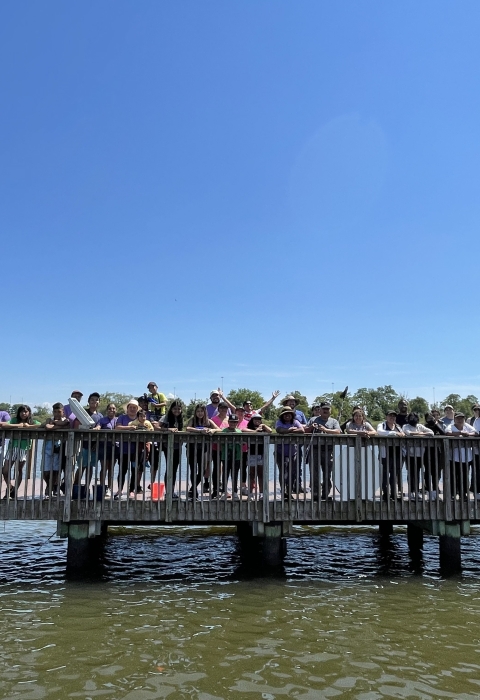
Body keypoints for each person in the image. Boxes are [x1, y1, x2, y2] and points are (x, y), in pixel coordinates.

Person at [2, 405, 41, 499]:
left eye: (26, 411)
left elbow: (41, 425)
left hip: (24, 448)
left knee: (18, 470)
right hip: (12, 448)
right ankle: (10, 487)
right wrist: (18, 425)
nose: (24, 413)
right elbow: (4, 425)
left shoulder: (32, 421)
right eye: (22, 411)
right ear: (19, 413)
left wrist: (29, 426)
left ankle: (14, 492)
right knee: (5, 470)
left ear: (29, 413)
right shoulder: (15, 420)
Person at [305, 402, 341, 500]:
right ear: (320, 410)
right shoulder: (313, 419)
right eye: (323, 409)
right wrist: (312, 427)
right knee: (314, 473)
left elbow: (338, 431)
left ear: (330, 411)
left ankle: (325, 494)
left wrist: (325, 429)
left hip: (328, 450)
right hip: (315, 449)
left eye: (327, 409)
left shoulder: (333, 421)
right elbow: (305, 430)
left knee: (327, 473)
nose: (325, 411)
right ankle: (315, 494)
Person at [114, 399, 146, 498]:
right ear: (127, 409)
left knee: (134, 470)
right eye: (130, 407)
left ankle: (131, 490)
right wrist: (129, 428)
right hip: (124, 449)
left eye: (134, 408)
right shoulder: (122, 417)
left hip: (137, 450)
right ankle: (119, 490)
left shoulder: (140, 418)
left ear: (137, 409)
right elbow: (117, 427)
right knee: (122, 470)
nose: (132, 409)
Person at [186, 404, 218, 499]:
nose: (200, 413)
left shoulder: (209, 421)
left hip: (204, 449)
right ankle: (194, 492)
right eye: (198, 411)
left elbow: (219, 429)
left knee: (203, 470)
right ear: (195, 412)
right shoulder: (193, 420)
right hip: (192, 447)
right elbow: (187, 428)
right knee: (193, 469)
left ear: (205, 412)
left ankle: (193, 487)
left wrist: (213, 431)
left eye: (202, 411)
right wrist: (199, 431)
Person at [73, 392, 103, 487]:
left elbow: (101, 430)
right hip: (83, 445)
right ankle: (75, 486)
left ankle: (86, 487)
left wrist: (97, 444)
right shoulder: (83, 412)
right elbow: (76, 425)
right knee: (81, 467)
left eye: (96, 400)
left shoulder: (100, 416)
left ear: (99, 402)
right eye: (92, 400)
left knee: (90, 468)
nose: (94, 401)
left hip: (94, 446)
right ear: (88, 402)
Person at [402, 412, 434, 500]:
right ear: (408, 419)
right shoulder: (405, 426)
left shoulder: (420, 426)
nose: (413, 419)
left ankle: (416, 492)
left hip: (420, 454)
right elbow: (409, 433)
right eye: (411, 417)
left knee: (418, 473)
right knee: (411, 473)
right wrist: (423, 434)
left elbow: (431, 433)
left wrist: (419, 434)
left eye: (415, 417)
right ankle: (411, 492)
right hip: (410, 454)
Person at [275, 406, 304, 498]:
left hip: (293, 452)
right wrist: (290, 430)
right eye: (285, 414)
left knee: (292, 473)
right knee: (283, 472)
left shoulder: (295, 422)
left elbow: (302, 430)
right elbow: (279, 430)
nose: (287, 416)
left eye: (289, 414)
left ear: (292, 415)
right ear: (282, 416)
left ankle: (289, 491)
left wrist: (291, 430)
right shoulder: (279, 422)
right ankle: (283, 491)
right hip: (280, 452)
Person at [445, 412, 477, 498]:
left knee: (465, 476)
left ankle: (463, 494)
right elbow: (447, 433)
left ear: (464, 419)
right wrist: (460, 433)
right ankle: (452, 494)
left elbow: (475, 432)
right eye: (458, 418)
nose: (460, 420)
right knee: (453, 476)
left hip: (467, 457)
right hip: (454, 457)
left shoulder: (467, 426)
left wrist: (468, 434)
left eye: (462, 418)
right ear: (454, 419)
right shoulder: (451, 426)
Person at [41, 403, 69, 498]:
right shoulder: (49, 419)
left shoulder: (66, 420)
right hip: (47, 447)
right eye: (55, 411)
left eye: (59, 411)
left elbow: (65, 424)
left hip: (58, 447)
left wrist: (55, 425)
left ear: (63, 411)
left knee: (56, 470)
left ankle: (52, 487)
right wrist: (59, 426)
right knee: (45, 471)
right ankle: (49, 486)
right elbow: (47, 427)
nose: (57, 413)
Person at [377, 410, 405, 501]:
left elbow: (403, 434)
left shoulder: (398, 427)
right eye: (390, 416)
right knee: (385, 475)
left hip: (397, 454)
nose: (392, 417)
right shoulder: (382, 425)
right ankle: (385, 494)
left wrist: (399, 433)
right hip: (385, 454)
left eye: (394, 416)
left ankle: (394, 494)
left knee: (394, 475)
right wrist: (395, 433)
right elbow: (380, 432)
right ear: (386, 417)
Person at [159, 400, 184, 498]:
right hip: (168, 446)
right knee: (170, 468)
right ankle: (168, 491)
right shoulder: (166, 417)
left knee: (174, 469)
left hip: (178, 446)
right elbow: (156, 427)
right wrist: (167, 429)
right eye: (174, 409)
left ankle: (171, 491)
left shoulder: (181, 419)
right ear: (171, 409)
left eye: (178, 409)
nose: (177, 411)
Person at [246, 414, 272, 496]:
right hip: (251, 454)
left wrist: (263, 425)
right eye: (255, 419)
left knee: (261, 474)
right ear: (252, 420)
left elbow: (270, 431)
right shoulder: (249, 428)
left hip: (262, 454)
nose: (257, 421)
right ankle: (250, 493)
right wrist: (256, 430)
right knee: (251, 474)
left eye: (259, 419)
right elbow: (243, 430)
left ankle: (261, 493)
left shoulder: (263, 428)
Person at [97, 403, 119, 497]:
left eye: (113, 409)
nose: (112, 410)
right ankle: (102, 487)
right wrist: (96, 428)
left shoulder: (118, 420)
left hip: (115, 446)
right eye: (110, 409)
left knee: (111, 468)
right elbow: (98, 427)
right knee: (104, 467)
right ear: (107, 410)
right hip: (104, 446)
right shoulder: (102, 420)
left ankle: (109, 488)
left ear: (116, 410)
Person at [210, 402, 230, 497]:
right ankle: (215, 490)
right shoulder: (213, 419)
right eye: (221, 408)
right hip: (216, 447)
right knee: (216, 468)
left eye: (225, 408)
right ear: (218, 409)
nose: (223, 410)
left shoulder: (230, 420)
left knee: (226, 469)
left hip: (227, 447)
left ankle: (224, 490)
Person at [220, 414, 243, 498]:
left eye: (235, 422)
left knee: (235, 474)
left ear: (237, 423)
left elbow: (242, 443)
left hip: (237, 456)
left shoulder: (239, 431)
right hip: (225, 455)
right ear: (228, 422)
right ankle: (223, 491)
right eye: (231, 422)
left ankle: (235, 492)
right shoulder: (224, 431)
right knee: (225, 474)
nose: (233, 423)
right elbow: (220, 442)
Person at [468, 405, 480, 495]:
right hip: (476, 450)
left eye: (478, 409)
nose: (477, 411)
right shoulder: (476, 420)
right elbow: (475, 431)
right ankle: (476, 491)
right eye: (475, 410)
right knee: (476, 471)